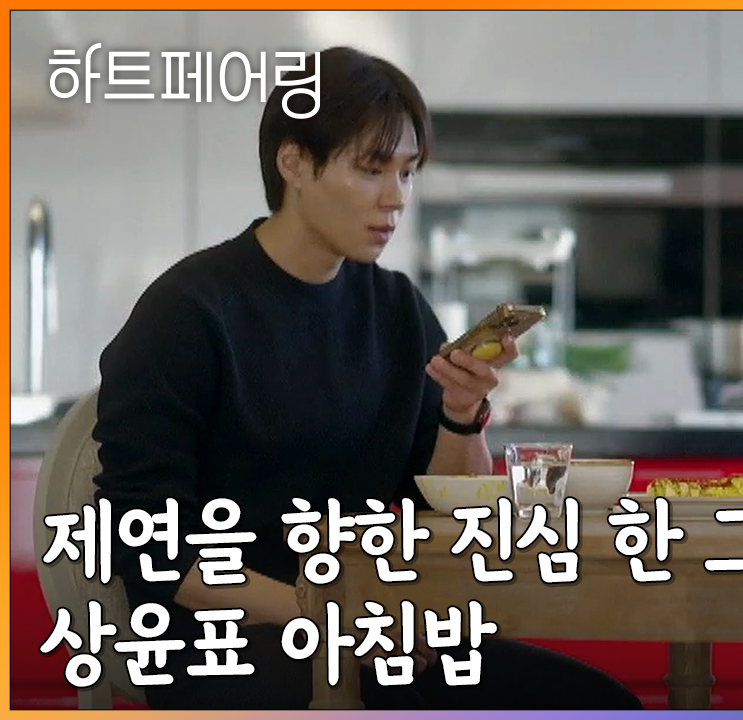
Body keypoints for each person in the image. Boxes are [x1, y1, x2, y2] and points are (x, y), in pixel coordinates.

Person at [91, 46, 642, 711]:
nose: (396, 198)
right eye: (371, 169)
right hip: (221, 642)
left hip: (373, 633)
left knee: (597, 702)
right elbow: (149, 545)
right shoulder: (189, 311)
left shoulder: (398, 309)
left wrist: (461, 414)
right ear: (294, 162)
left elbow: (451, 516)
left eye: (407, 172)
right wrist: (334, 620)